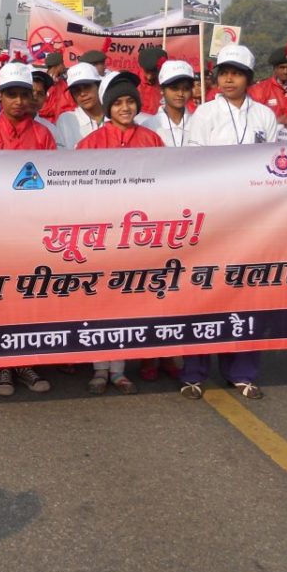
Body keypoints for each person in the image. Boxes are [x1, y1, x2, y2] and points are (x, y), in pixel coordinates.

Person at [181, 44, 278, 401]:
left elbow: (274, 164)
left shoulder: (265, 116)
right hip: (212, 217)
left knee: (246, 292)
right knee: (202, 294)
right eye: (223, 73)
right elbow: (192, 166)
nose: (228, 79)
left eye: (235, 73)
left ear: (249, 78)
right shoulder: (204, 114)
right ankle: (193, 371)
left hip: (252, 218)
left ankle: (243, 371)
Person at [74, 70, 165, 395]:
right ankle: (99, 369)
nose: (125, 108)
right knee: (99, 302)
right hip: (100, 236)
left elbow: (165, 184)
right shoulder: (90, 144)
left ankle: (120, 370)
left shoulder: (151, 140)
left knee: (128, 302)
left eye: (130, 102)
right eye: (119, 103)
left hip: (138, 236)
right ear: (108, 107)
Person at [0, 61, 54, 397]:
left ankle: (25, 362)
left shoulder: (44, 135)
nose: (19, 101)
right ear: (0, 98)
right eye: (11, 95)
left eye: (24, 94)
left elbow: (53, 184)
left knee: (29, 297)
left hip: (33, 232)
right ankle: (1, 365)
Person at [250, 38, 287, 132]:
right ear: (274, 69)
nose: (286, 71)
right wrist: (275, 122)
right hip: (268, 143)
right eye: (281, 68)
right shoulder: (259, 90)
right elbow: (251, 121)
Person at [139, 59, 195, 148]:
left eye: (186, 88)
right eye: (174, 88)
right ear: (162, 90)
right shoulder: (149, 126)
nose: (180, 94)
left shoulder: (199, 124)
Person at [54, 62, 104, 149]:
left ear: (98, 86)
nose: (82, 93)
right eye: (76, 90)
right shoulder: (66, 120)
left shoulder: (115, 116)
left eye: (87, 87)